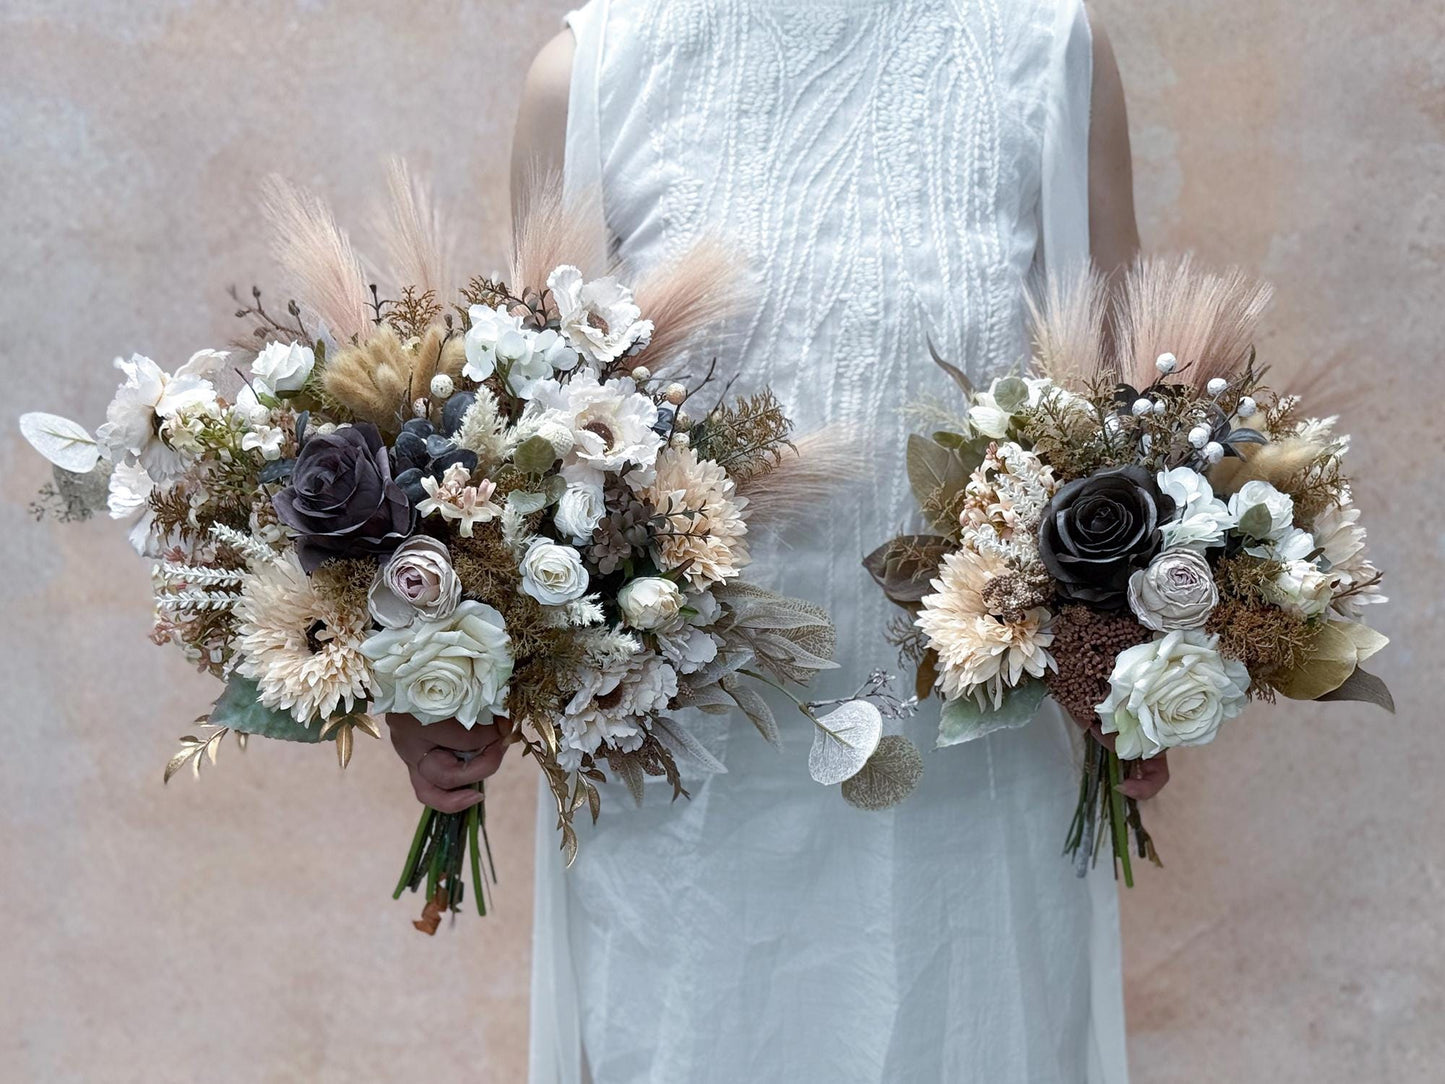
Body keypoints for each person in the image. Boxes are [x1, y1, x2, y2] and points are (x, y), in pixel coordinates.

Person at [387, 1, 1166, 1079]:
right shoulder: (593, 78)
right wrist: (438, 673)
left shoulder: (1045, 53)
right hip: (687, 803)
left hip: (969, 780)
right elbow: (524, 452)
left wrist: (1151, 644)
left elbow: (1134, 419)